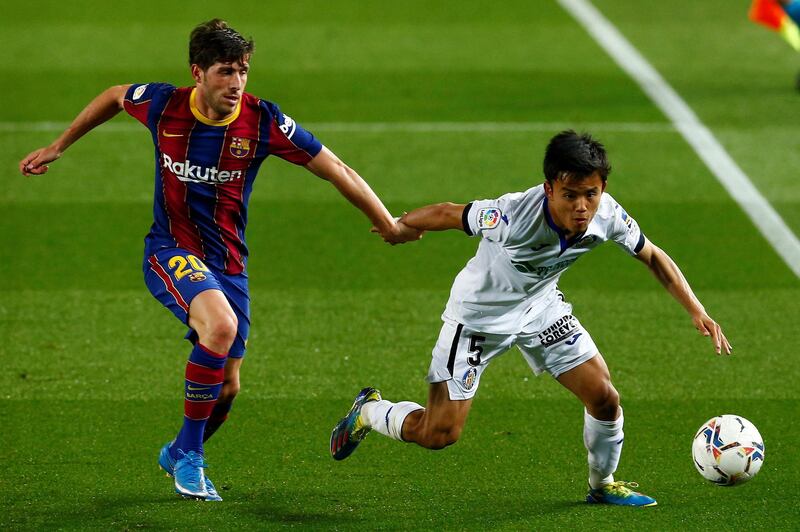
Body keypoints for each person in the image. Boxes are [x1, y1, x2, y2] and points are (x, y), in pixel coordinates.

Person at [19, 19, 420, 502]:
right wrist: (57, 146)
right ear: (198, 72)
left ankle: (179, 450)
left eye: (244, 71)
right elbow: (114, 95)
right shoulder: (164, 104)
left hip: (229, 263)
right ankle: (190, 458)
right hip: (171, 250)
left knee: (227, 388)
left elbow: (336, 168)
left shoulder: (262, 121)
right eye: (226, 72)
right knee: (221, 328)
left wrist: (388, 223)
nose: (237, 83)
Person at [330, 130, 731, 507]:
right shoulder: (512, 216)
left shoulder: (607, 214)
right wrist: (400, 227)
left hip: (540, 310)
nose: (581, 206)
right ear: (549, 188)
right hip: (478, 320)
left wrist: (697, 309)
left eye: (590, 194)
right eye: (570, 194)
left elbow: (652, 255)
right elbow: (450, 213)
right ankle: (369, 411)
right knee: (439, 434)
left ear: (602, 189)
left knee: (605, 398)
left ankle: (602, 485)